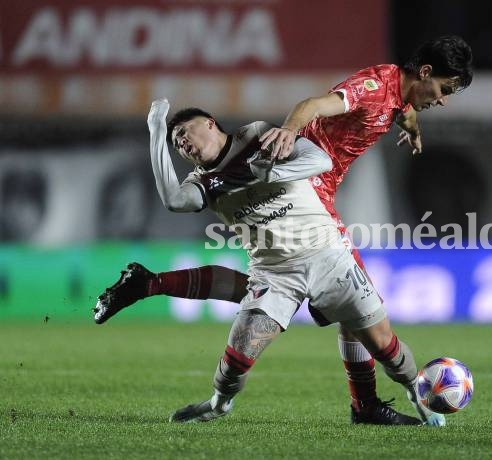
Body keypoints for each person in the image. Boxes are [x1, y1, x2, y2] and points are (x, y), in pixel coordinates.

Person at [94, 36, 473, 424]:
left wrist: (413, 127)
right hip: (306, 184)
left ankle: (368, 404)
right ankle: (362, 404)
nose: (442, 98)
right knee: (292, 299)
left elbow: (403, 109)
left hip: (310, 191)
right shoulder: (372, 86)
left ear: (210, 123)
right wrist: (289, 131)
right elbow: (312, 106)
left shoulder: (397, 96)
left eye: (186, 132)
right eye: (444, 89)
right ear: (425, 72)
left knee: (348, 317)